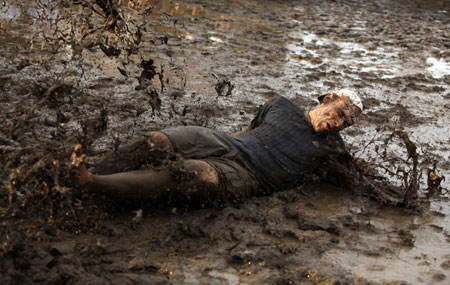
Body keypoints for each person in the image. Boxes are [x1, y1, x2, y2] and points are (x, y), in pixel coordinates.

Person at [70, 89, 364, 204]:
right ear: (327, 98)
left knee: (190, 173)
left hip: (248, 176)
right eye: (339, 113)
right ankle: (84, 174)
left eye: (346, 124)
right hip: (228, 143)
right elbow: (249, 130)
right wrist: (207, 143)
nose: (339, 123)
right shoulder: (279, 105)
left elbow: (354, 179)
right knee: (158, 141)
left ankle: (92, 183)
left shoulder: (332, 148)